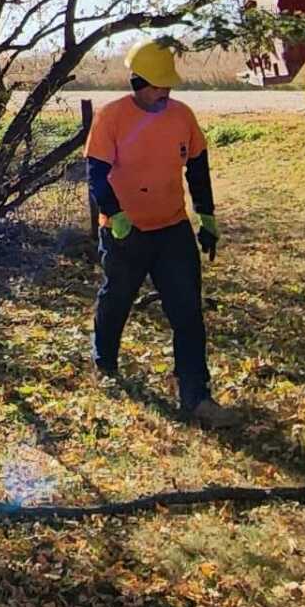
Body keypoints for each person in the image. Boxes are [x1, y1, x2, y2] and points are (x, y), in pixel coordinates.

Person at [86, 38, 235, 429]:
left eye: (168, 85)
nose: (164, 93)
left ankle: (196, 395)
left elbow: (198, 168)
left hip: (172, 229)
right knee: (116, 299)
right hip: (125, 233)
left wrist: (207, 216)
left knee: (187, 312)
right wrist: (114, 214)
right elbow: (96, 174)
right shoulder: (111, 118)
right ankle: (104, 361)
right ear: (137, 82)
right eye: (157, 86)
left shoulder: (182, 116)